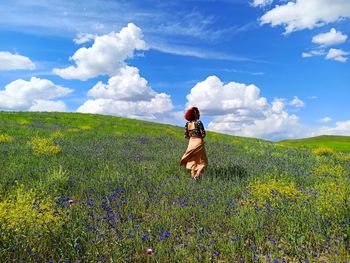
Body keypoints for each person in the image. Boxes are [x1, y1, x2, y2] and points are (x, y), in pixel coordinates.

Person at [180, 107, 208, 180]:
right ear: (195, 114)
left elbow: (186, 136)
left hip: (191, 143)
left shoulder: (187, 124)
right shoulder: (198, 122)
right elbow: (203, 134)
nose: (198, 113)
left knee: (192, 160)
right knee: (202, 161)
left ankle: (193, 178)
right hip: (199, 142)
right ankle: (197, 176)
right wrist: (199, 139)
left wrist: (192, 139)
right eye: (197, 112)